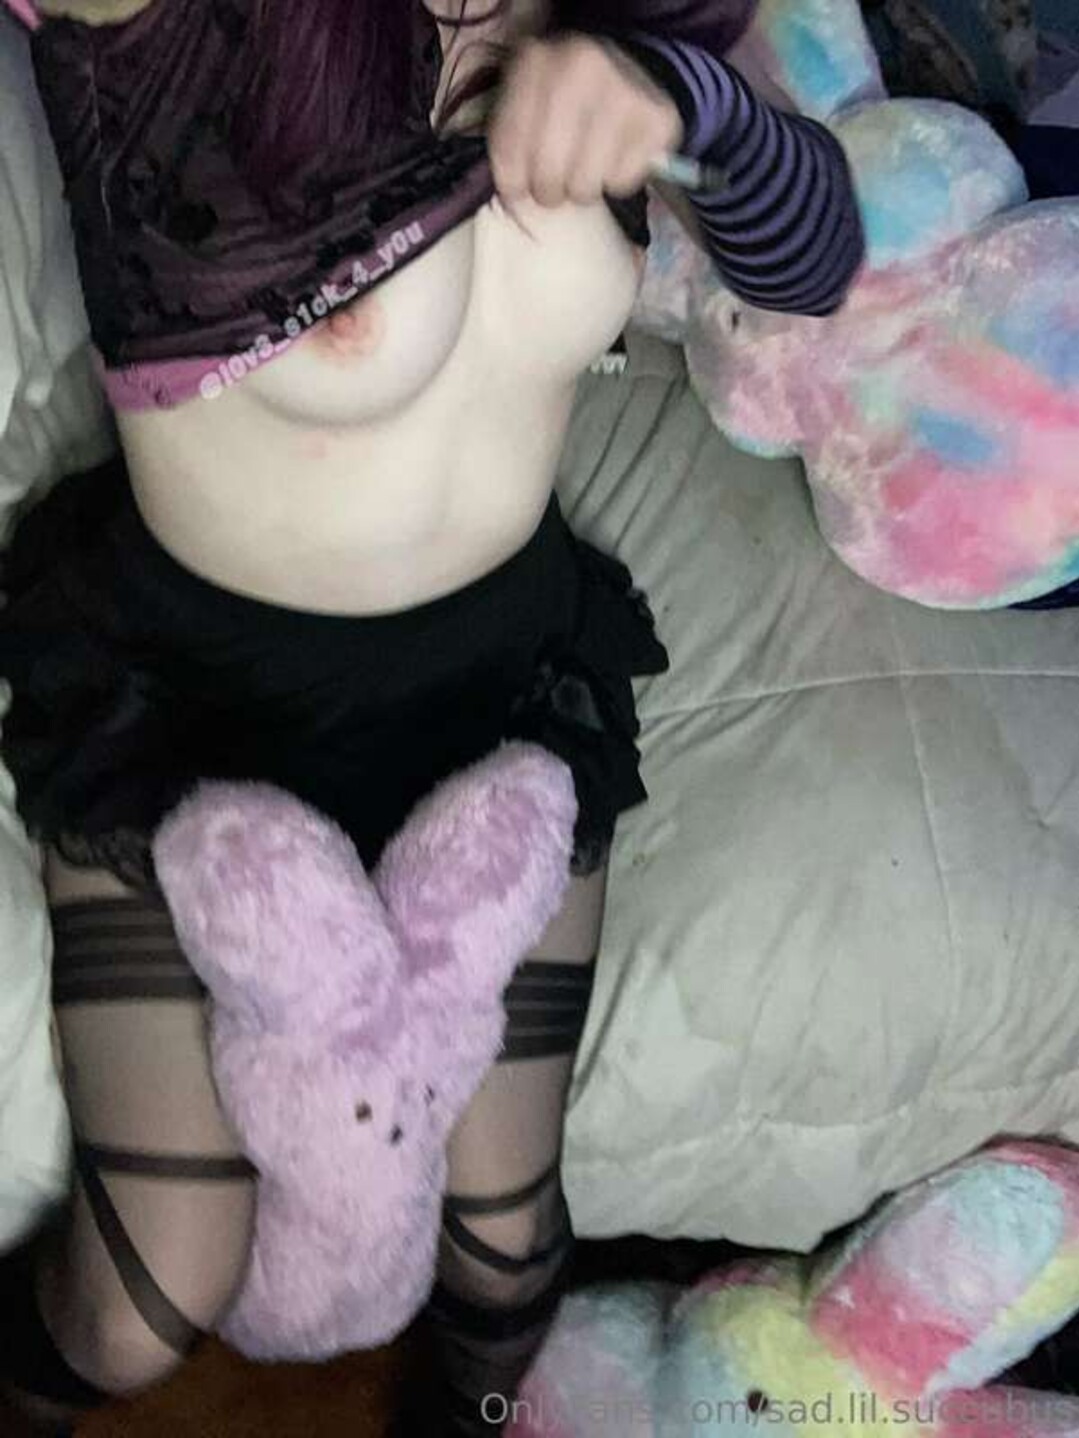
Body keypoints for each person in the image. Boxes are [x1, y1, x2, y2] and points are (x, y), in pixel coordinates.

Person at [0, 1, 865, 1433]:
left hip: (499, 684)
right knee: (147, 1298)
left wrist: (686, 97)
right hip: (190, 692)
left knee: (509, 1263)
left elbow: (817, 267)